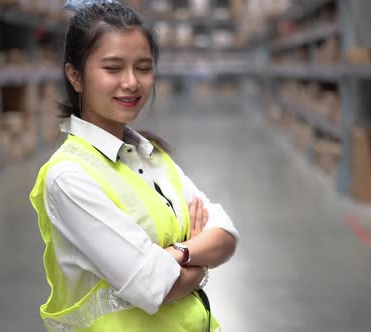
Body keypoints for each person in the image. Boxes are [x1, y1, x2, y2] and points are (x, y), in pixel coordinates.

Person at [29, 0, 239, 331]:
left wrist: (179, 255)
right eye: (113, 68)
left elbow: (226, 236)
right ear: (76, 76)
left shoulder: (152, 155)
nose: (131, 82)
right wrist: (198, 260)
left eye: (143, 67)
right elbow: (156, 284)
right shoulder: (68, 177)